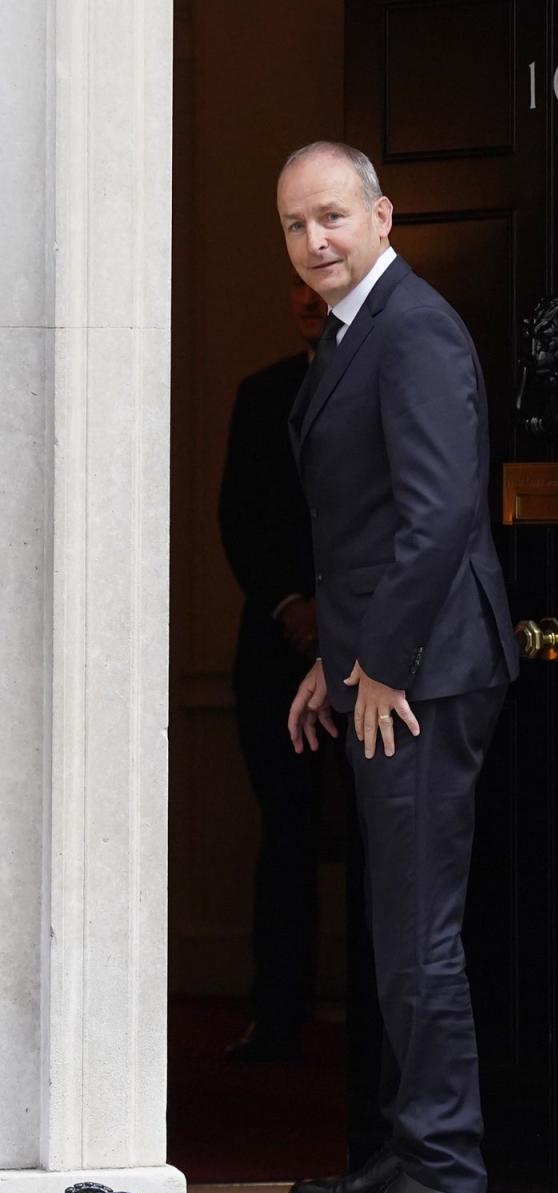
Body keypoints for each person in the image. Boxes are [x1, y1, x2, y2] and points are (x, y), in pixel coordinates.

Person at [279, 141, 519, 1193]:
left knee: (418, 927)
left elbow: (438, 518)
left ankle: (443, 1171)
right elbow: (370, 534)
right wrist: (333, 666)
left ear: (384, 214)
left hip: (426, 677)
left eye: (331, 216)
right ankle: (399, 1150)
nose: (315, 241)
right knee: (395, 922)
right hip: (386, 667)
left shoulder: (412, 327)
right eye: (294, 225)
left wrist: (379, 664)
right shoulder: (352, 333)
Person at [218, 276, 329, 1063]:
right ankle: (277, 1016)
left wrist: (347, 620)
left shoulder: (394, 374)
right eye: (292, 280)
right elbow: (238, 517)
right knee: (284, 836)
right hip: (274, 654)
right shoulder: (262, 396)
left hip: (382, 655)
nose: (306, 292)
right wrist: (291, 605)